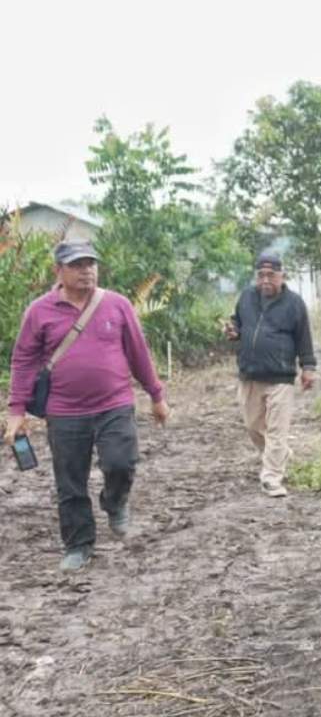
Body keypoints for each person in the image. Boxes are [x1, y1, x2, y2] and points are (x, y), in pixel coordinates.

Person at [4, 240, 170, 571]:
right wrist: (16, 411)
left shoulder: (117, 305)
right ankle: (78, 544)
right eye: (77, 265)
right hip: (64, 411)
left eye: (90, 264)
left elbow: (138, 353)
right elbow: (23, 361)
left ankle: (115, 501)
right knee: (70, 482)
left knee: (121, 463)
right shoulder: (39, 311)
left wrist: (156, 396)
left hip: (115, 404)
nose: (86, 271)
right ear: (58, 270)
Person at [225, 249, 317, 497]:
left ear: (281, 276)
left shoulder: (294, 304)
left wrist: (308, 367)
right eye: (261, 275)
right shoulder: (247, 297)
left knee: (277, 430)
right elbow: (238, 322)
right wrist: (233, 330)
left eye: (271, 275)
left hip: (281, 377)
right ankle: (279, 454)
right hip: (250, 374)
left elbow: (304, 338)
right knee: (252, 426)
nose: (265, 280)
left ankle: (272, 478)